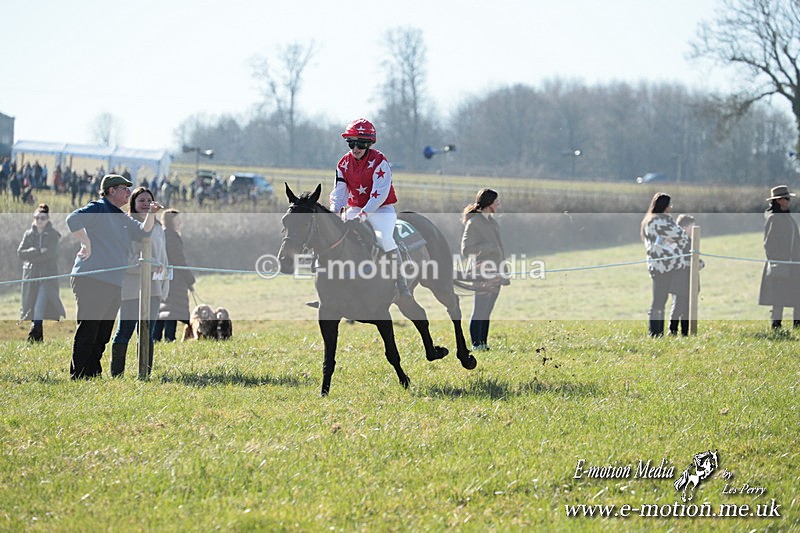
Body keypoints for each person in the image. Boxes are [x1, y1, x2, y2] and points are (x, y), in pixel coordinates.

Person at [65, 174, 162, 379]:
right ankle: (80, 374)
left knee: (103, 332)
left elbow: (143, 232)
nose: (128, 192)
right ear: (111, 191)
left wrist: (151, 214)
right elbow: (72, 219)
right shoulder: (98, 208)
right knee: (90, 328)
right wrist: (86, 242)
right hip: (91, 279)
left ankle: (93, 373)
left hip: (113, 282)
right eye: (124, 188)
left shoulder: (123, 217)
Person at [328, 118, 412, 301]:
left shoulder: (380, 161)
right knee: (333, 236)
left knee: (384, 239)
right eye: (351, 143)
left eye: (361, 144)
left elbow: (379, 195)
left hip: (381, 210)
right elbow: (339, 192)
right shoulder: (343, 163)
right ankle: (329, 288)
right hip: (355, 208)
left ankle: (402, 283)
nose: (355, 148)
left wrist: (363, 215)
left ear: (369, 144)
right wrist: (334, 212)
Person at [110, 187, 170, 377]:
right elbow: (126, 260)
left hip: (153, 287)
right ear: (133, 204)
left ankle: (145, 373)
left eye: (149, 200)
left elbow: (163, 257)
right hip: (131, 287)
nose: (145, 204)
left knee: (147, 332)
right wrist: (149, 265)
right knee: (125, 330)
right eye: (141, 201)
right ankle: (117, 374)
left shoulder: (158, 228)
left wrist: (164, 280)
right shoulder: (128, 227)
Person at [461, 188, 508, 351]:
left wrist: (503, 271)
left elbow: (499, 249)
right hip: (481, 272)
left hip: (496, 271)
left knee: (487, 310)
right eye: (496, 202)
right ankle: (476, 345)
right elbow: (466, 250)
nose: (498, 204)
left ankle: (483, 343)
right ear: (489, 203)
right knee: (480, 309)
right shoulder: (474, 222)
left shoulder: (492, 222)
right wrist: (489, 248)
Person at [641, 192, 689, 337]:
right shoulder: (660, 222)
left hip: (661, 265)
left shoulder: (651, 221)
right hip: (665, 266)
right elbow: (682, 237)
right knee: (662, 299)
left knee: (661, 299)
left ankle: (657, 333)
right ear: (665, 206)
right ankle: (656, 333)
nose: (671, 207)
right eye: (670, 204)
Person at [17, 204, 66, 342]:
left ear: (47, 219)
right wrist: (37, 251)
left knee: (39, 306)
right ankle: (38, 339)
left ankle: (33, 337)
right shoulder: (28, 234)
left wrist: (32, 256)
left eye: (42, 218)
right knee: (31, 306)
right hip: (31, 276)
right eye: (37, 217)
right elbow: (20, 253)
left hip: (47, 277)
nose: (39, 220)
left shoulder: (53, 235)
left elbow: (51, 255)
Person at [758, 185, 800, 330]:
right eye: (786, 198)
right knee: (778, 298)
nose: (788, 201)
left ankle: (797, 326)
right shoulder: (774, 218)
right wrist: (780, 261)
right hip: (780, 265)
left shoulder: (786, 217)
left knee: (797, 295)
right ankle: (776, 328)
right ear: (778, 200)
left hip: (793, 264)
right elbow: (769, 245)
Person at [154, 209, 195, 342]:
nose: (180, 222)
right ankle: (169, 338)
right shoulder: (172, 237)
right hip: (174, 278)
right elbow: (179, 260)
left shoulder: (162, 234)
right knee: (172, 310)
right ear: (170, 221)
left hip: (162, 276)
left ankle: (155, 338)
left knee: (162, 309)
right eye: (178, 220)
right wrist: (189, 279)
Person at [667, 214, 705, 336]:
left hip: (690, 280)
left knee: (688, 308)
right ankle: (672, 331)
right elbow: (677, 259)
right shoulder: (676, 241)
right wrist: (692, 264)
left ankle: (685, 333)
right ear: (684, 228)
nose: (693, 230)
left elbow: (693, 257)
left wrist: (700, 263)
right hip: (679, 281)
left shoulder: (692, 241)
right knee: (678, 307)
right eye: (692, 227)